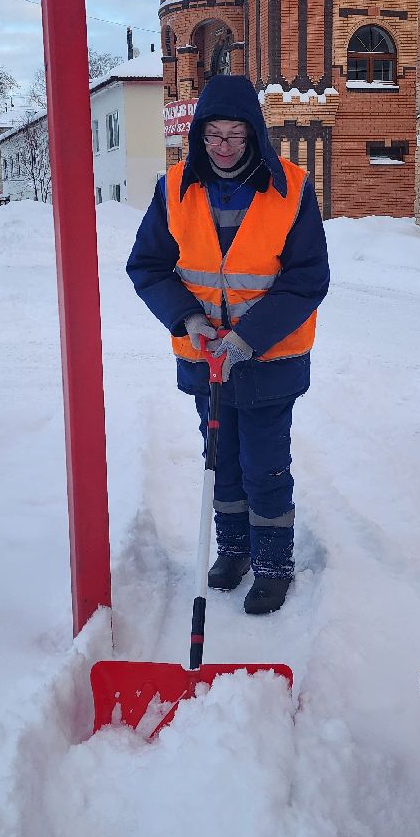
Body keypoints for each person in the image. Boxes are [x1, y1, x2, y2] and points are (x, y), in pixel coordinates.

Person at [127, 74, 329, 614]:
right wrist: (187, 316)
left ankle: (272, 563)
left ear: (255, 134)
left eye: (235, 134)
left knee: (264, 464)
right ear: (197, 135)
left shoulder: (290, 189)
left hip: (271, 360)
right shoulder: (175, 188)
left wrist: (249, 338)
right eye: (212, 134)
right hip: (205, 359)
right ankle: (234, 549)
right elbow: (147, 265)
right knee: (221, 461)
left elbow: (307, 278)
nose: (222, 146)